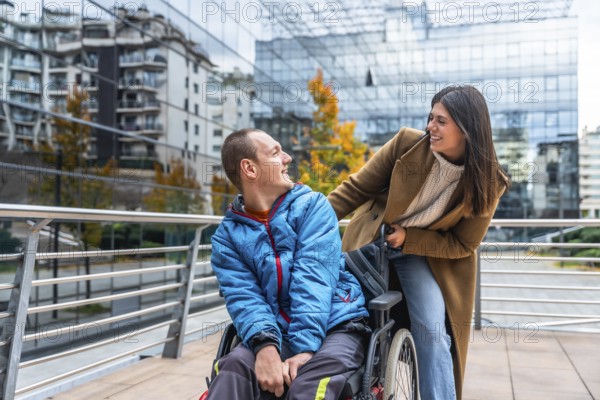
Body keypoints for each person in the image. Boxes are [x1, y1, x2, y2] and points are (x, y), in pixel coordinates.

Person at [328, 85, 510, 400]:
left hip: (419, 255)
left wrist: (410, 238)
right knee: (343, 317)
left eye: (441, 121)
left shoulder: (488, 182)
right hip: (371, 245)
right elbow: (354, 190)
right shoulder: (406, 146)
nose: (430, 127)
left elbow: (462, 244)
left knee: (433, 333)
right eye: (430, 117)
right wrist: (307, 223)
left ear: (467, 129)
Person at [207, 128, 370, 400]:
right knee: (233, 369)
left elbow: (314, 279)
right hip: (276, 330)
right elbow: (245, 297)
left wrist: (304, 349)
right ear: (249, 169)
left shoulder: (313, 207)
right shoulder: (226, 239)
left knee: (308, 387)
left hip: (336, 324)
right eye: (275, 153)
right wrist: (266, 348)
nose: (287, 158)